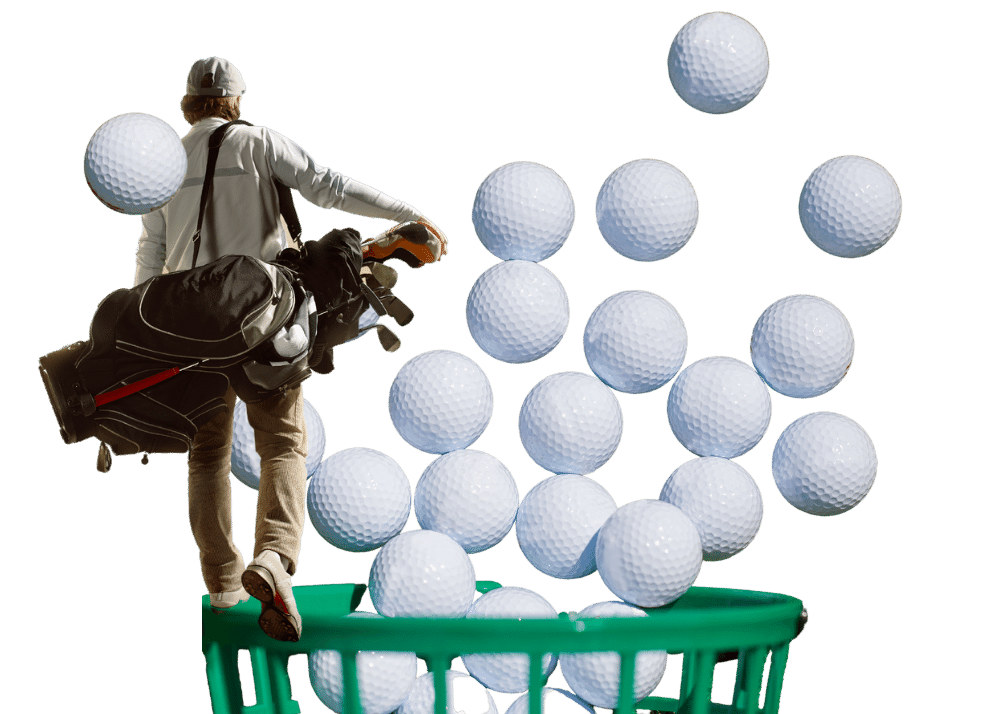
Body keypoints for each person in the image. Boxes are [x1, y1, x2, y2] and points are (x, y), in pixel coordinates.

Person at [133, 57, 448, 642]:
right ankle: (274, 559)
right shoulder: (258, 144)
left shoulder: (164, 161)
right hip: (261, 321)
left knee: (207, 457)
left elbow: (150, 253)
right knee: (281, 445)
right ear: (235, 98)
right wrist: (407, 215)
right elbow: (328, 187)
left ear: (189, 101)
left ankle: (223, 585)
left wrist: (147, 333)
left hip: (187, 327)